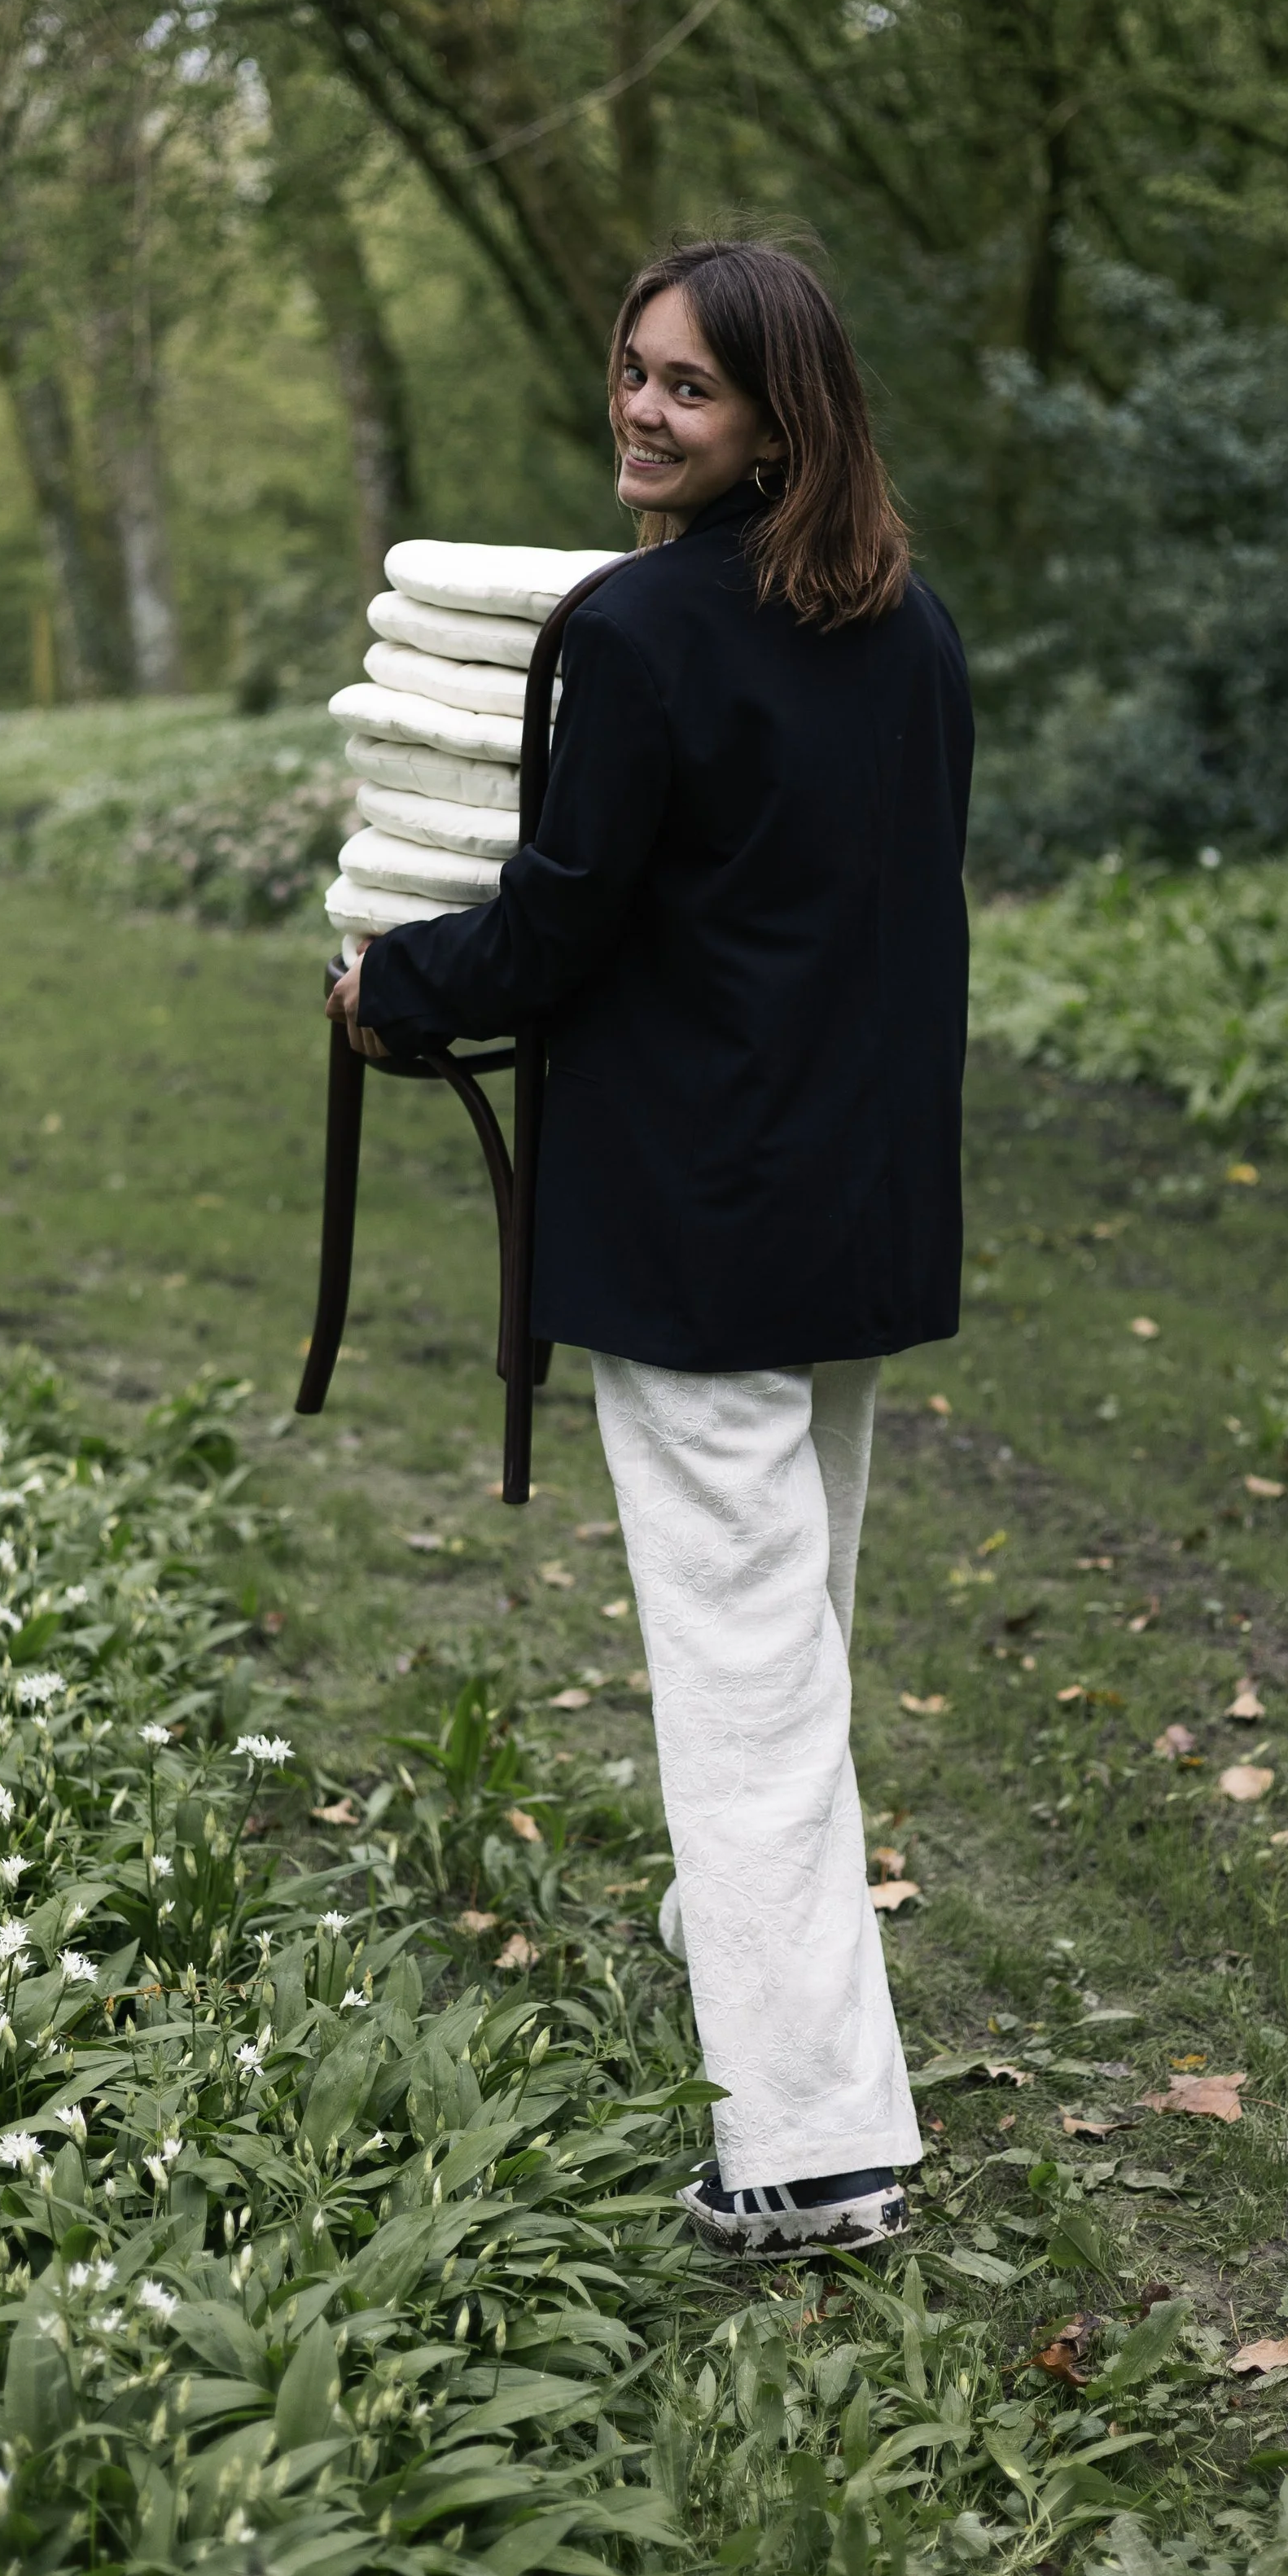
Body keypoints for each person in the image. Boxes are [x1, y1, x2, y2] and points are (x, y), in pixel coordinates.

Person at [326, 239, 972, 2255]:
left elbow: (558, 924)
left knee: (745, 1679)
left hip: (705, 1225)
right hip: (851, 1208)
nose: (636, 409)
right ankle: (743, 1952)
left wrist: (387, 988)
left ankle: (805, 2148)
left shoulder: (628, 633)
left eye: (685, 388)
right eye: (628, 372)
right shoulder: (913, 627)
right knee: (793, 1640)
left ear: (783, 416)